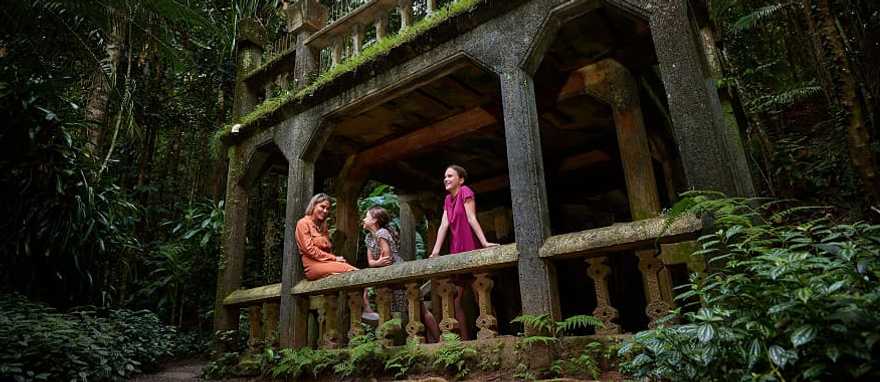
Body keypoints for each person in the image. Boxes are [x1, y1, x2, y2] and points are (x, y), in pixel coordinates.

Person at [428, 165, 498, 339]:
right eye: (445, 176)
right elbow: (444, 225)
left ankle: (493, 335)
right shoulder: (446, 200)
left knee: (480, 293)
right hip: (456, 252)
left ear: (461, 179)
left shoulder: (465, 191)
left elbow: (471, 218)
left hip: (471, 247)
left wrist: (484, 243)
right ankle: (463, 340)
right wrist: (435, 252)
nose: (446, 179)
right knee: (455, 299)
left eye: (450, 176)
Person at [362, 206, 441, 342]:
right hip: (388, 279)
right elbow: (371, 262)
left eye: (367, 216)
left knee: (420, 309)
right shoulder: (369, 238)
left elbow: (387, 259)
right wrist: (377, 262)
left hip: (398, 275)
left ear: (374, 220)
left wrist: (378, 262)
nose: (363, 219)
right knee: (401, 312)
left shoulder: (382, 233)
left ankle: (439, 340)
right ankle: (416, 341)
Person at [295, 193, 358, 280]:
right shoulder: (303, 223)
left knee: (348, 270)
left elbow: (328, 250)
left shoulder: (323, 226)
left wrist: (335, 259)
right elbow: (309, 249)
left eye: (327, 209)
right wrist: (334, 258)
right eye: (322, 207)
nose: (325, 211)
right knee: (353, 271)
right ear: (313, 206)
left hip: (327, 263)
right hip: (313, 265)